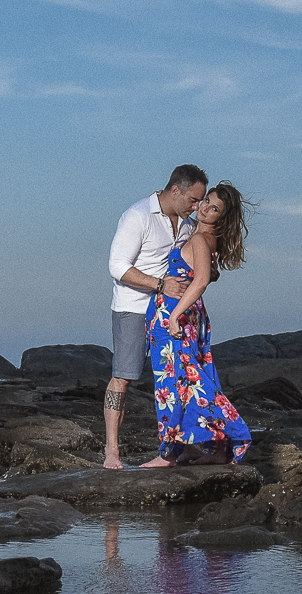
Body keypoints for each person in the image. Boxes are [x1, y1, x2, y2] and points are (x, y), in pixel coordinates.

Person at [105, 164, 209, 470]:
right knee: (123, 378)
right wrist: (160, 284)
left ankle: (183, 447)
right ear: (175, 189)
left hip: (170, 313)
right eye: (193, 199)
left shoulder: (188, 224)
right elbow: (117, 266)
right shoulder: (137, 216)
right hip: (133, 309)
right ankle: (112, 450)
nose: (196, 207)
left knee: (182, 379)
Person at [142, 181, 252, 467]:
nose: (204, 208)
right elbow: (205, 275)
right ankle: (201, 449)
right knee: (188, 381)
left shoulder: (202, 240)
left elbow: (201, 280)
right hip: (188, 316)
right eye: (206, 202)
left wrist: (174, 314)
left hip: (178, 317)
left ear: (221, 217)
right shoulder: (204, 238)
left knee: (174, 382)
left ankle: (170, 453)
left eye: (214, 208)